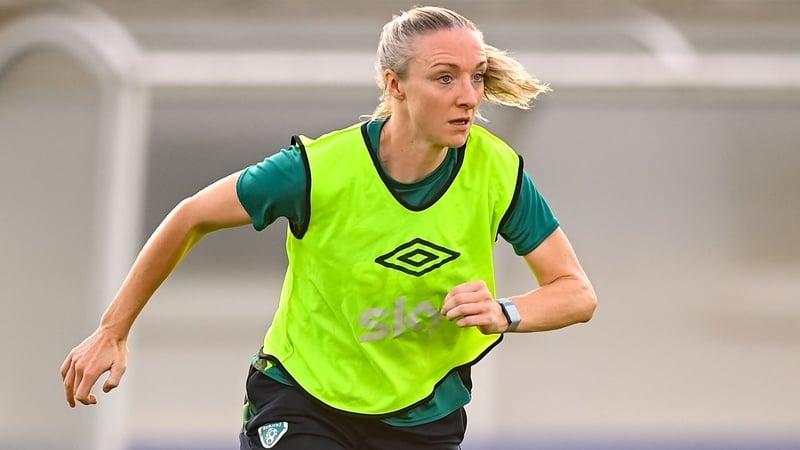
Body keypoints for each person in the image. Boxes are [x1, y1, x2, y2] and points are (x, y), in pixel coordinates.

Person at [61, 5, 597, 450]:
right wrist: (113, 329)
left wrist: (505, 312)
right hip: (303, 397)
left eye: (476, 76)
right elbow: (191, 215)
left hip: (423, 413)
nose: (469, 95)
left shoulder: (498, 172)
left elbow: (575, 294)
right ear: (396, 85)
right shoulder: (316, 171)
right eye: (444, 77)